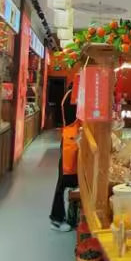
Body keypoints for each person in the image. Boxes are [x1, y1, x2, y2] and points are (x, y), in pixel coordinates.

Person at [50, 87, 78, 231]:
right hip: (70, 144)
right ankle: (56, 219)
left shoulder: (71, 94)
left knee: (67, 183)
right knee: (63, 183)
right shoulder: (71, 96)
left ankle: (66, 217)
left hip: (71, 142)